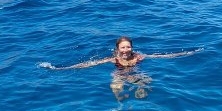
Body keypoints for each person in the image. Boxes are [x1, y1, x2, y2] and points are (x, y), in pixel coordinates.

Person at [41, 36, 200, 101]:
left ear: (132, 48)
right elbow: (88, 64)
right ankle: (122, 106)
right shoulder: (113, 59)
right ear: (117, 49)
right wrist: (59, 69)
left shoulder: (138, 56)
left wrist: (186, 53)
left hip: (136, 72)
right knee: (117, 88)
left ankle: (140, 100)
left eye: (128, 47)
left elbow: (161, 56)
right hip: (118, 73)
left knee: (146, 83)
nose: (126, 50)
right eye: (123, 47)